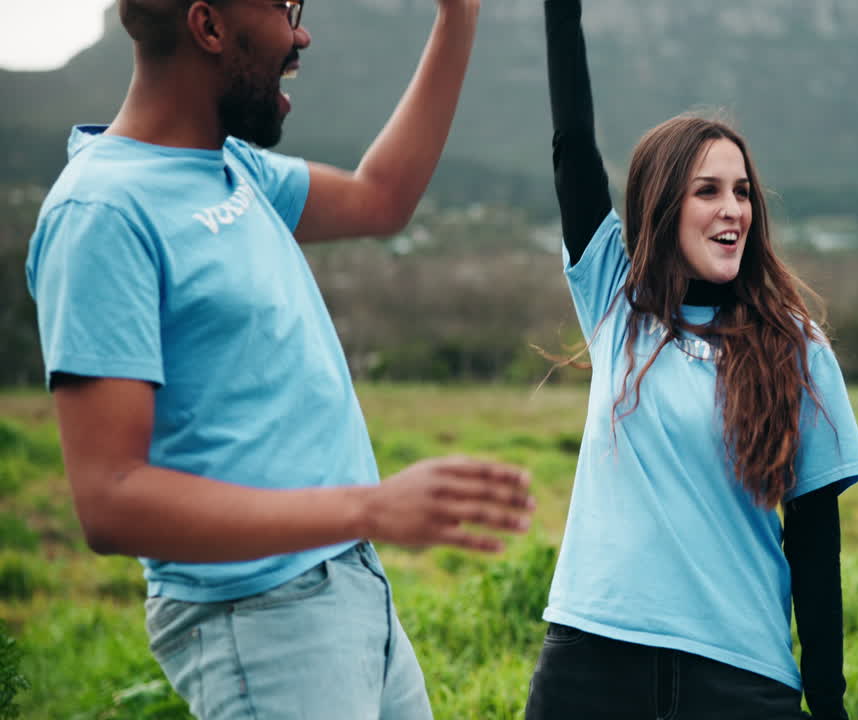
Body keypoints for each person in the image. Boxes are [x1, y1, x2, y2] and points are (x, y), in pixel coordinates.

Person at [24, 1, 535, 718]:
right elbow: (110, 498)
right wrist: (370, 506)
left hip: (349, 586)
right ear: (207, 27)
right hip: (261, 623)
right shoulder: (103, 213)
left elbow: (380, 198)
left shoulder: (230, 168)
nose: (302, 35)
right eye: (284, 8)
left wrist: (460, 15)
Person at [526, 2, 858, 719]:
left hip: (739, 675)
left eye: (743, 192)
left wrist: (830, 701)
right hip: (594, 657)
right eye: (708, 190)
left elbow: (814, 540)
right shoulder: (617, 304)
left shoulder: (797, 347)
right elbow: (573, 147)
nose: (733, 209)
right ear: (662, 205)